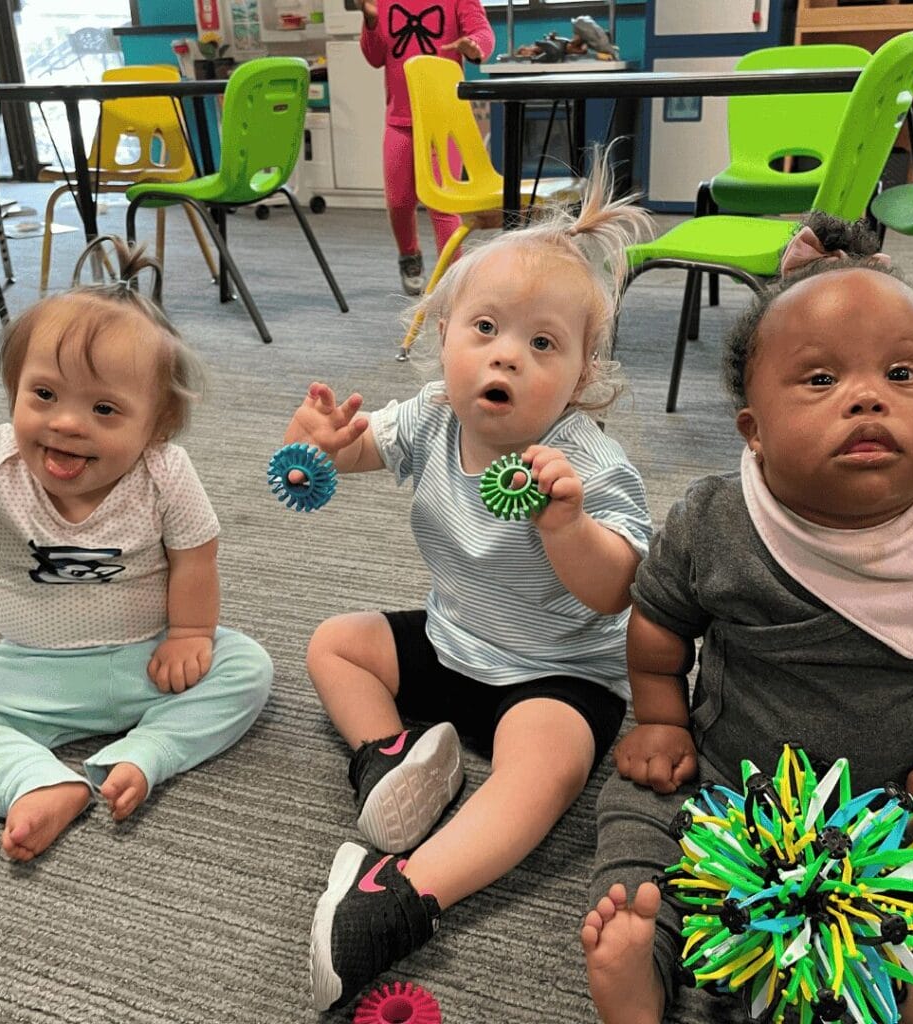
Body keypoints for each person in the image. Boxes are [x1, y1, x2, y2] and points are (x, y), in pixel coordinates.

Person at [582, 212, 913, 1024]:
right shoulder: (717, 519)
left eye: (904, 375)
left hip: (902, 813)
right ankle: (647, 962)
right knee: (636, 818)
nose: (868, 395)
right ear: (754, 433)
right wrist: (661, 719)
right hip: (732, 791)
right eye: (819, 380)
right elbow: (659, 629)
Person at [283, 160, 654, 1010]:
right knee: (334, 643)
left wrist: (565, 525)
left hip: (556, 675)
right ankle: (391, 763)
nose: (506, 356)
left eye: (542, 345)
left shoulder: (589, 462)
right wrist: (323, 438)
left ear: (582, 374)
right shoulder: (432, 416)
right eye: (485, 328)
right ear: (443, 333)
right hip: (454, 646)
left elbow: (618, 590)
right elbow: (358, 448)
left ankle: (402, 894)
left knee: (545, 774)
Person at [0, 238, 273, 863]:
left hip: (151, 660)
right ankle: (38, 782)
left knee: (248, 668)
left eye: (104, 409)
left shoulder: (164, 471)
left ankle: (146, 752)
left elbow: (196, 554)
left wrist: (189, 633)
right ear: (13, 390)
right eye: (43, 395)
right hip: (32, 671)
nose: (68, 423)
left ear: (155, 427)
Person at [357, 0, 494, 296]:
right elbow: (375, 57)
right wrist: (370, 20)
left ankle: (453, 282)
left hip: (443, 119)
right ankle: (409, 256)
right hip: (399, 121)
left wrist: (474, 44)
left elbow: (482, 30)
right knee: (399, 202)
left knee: (443, 204)